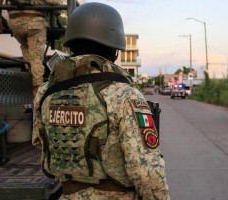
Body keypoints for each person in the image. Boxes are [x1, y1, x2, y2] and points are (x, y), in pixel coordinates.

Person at [32, 2, 170, 200]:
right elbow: (146, 172)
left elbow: (39, 141)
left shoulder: (46, 91)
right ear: (115, 48)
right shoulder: (124, 94)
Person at [0, 0, 60, 96]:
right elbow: (54, 2)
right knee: (36, 58)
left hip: (15, 24)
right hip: (35, 21)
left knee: (28, 55)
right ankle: (37, 91)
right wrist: (57, 12)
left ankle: (29, 82)